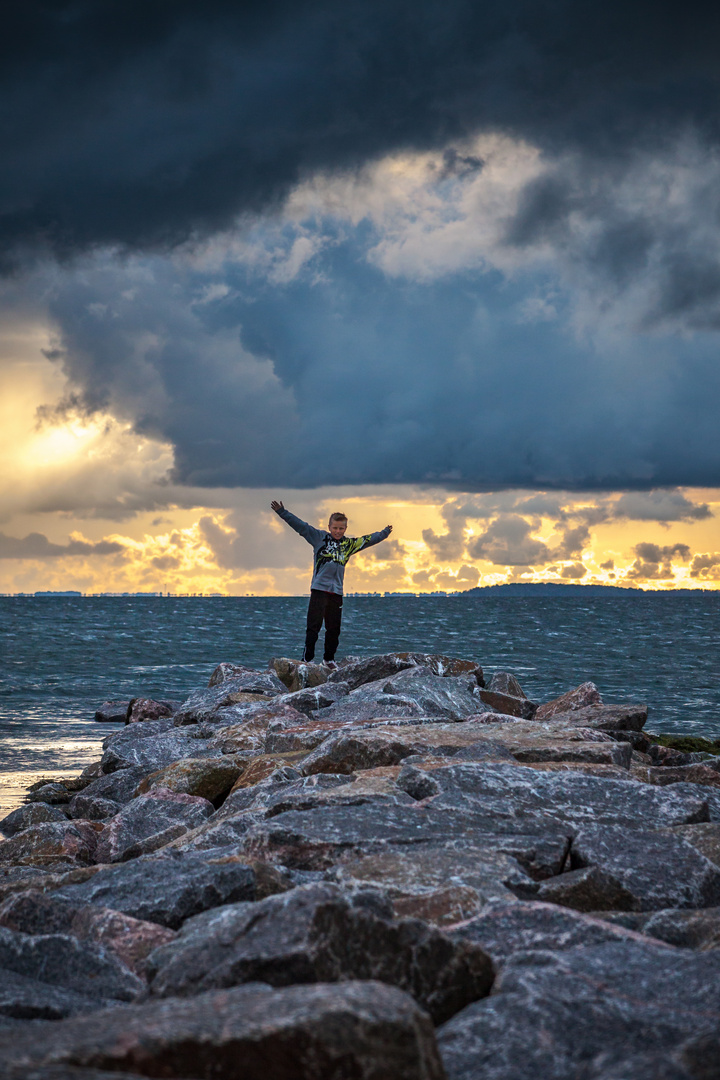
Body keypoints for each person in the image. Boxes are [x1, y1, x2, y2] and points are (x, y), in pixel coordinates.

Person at [271, 500, 392, 666]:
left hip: (336, 593)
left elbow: (368, 540)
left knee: (334, 629)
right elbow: (301, 526)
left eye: (341, 528)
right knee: (313, 627)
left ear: (345, 529)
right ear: (329, 527)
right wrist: (282, 512)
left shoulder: (348, 545)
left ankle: (328, 660)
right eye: (335, 528)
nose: (338, 531)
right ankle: (307, 660)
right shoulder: (318, 538)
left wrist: (384, 533)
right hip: (319, 590)